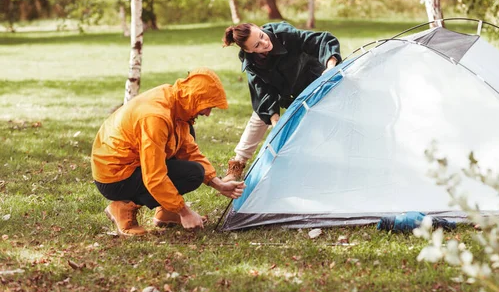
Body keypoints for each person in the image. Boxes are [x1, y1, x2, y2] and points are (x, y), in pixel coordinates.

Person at [91, 68, 246, 236]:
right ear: (194, 99)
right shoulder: (156, 118)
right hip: (115, 176)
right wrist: (184, 212)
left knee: (190, 142)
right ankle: (123, 206)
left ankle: (166, 212)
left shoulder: (176, 102)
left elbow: (189, 150)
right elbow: (154, 175)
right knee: (192, 174)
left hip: (132, 165)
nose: (208, 114)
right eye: (208, 107)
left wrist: (218, 184)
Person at [222, 21, 342, 181]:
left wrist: (330, 67)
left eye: (262, 36)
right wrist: (275, 121)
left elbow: (320, 40)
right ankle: (237, 165)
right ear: (248, 50)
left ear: (260, 28)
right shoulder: (250, 63)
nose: (265, 43)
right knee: (258, 117)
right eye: (257, 45)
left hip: (310, 79)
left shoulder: (285, 34)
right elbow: (263, 92)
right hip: (281, 90)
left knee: (324, 118)